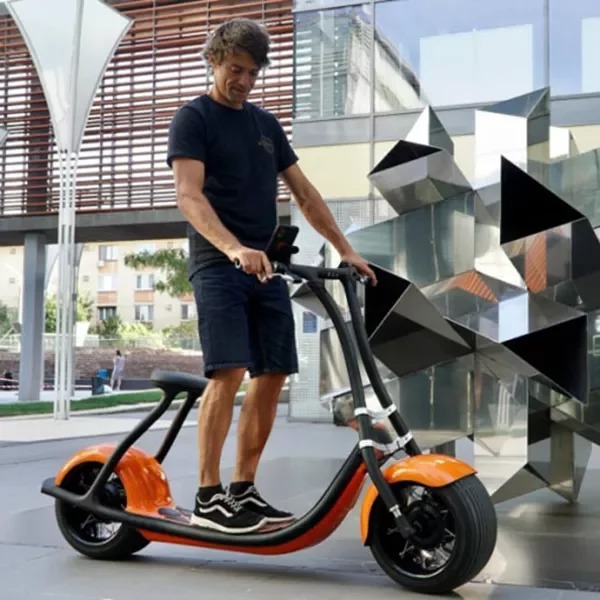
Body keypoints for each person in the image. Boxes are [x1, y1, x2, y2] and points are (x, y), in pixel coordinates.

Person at [167, 18, 377, 535]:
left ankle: (243, 489)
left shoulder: (265, 126)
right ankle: (208, 495)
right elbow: (189, 195)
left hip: (265, 268)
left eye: (252, 73)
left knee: (274, 374)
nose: (243, 81)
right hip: (219, 263)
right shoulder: (193, 118)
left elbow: (305, 193)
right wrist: (234, 248)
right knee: (229, 371)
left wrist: (346, 249)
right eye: (236, 69)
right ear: (214, 60)